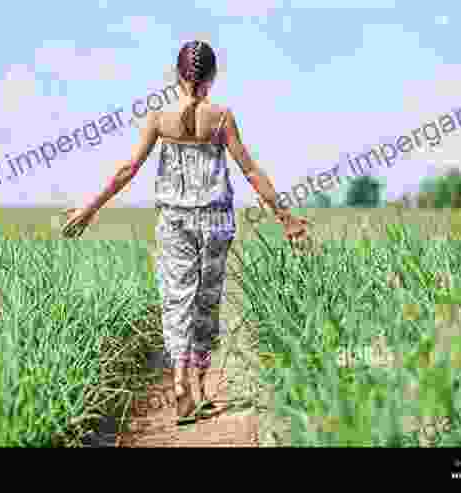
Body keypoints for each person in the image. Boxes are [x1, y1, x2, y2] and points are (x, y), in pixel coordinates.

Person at [62, 40, 310, 425]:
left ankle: (179, 381)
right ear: (212, 76)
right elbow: (251, 171)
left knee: (177, 301)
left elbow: (128, 169)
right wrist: (286, 218)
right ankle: (201, 387)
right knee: (206, 303)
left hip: (174, 221)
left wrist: (89, 209)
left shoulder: (159, 117)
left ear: (176, 75)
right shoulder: (222, 117)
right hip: (215, 221)